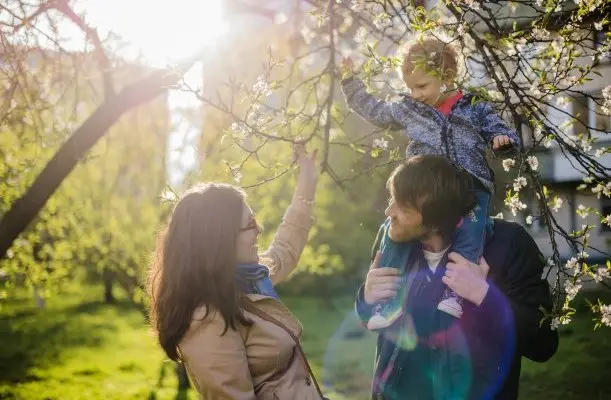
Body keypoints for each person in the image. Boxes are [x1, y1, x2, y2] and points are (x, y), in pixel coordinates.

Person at [341, 34, 521, 324]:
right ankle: (386, 304)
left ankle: (454, 294)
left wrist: (503, 141)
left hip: (469, 184)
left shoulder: (474, 106)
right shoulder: (410, 109)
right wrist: (350, 82)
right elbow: (376, 111)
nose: (416, 94)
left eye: (422, 86)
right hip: (425, 185)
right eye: (410, 87)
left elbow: (497, 129)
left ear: (446, 76)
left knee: (472, 231)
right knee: (395, 231)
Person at [355, 155, 558, 399]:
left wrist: (484, 295)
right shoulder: (394, 242)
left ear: (436, 220)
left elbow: (543, 344)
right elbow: (372, 321)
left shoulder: (508, 244)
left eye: (403, 206)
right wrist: (366, 299)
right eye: (391, 199)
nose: (389, 212)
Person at [148, 144, 325, 399]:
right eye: (250, 224)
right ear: (220, 240)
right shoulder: (206, 319)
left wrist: (307, 184)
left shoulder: (244, 280)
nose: (259, 230)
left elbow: (284, 250)